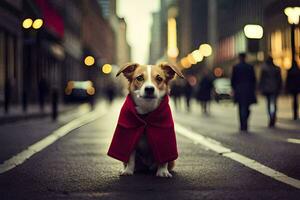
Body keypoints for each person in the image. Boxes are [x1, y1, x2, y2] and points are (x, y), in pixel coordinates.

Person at [231, 53, 256, 132]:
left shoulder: (236, 67)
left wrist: (234, 88)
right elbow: (253, 79)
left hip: (239, 90)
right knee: (247, 107)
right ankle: (244, 123)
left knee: (241, 107)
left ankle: (242, 124)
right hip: (248, 89)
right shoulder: (250, 67)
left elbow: (233, 80)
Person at [259, 56, 282, 127]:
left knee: (269, 104)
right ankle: (273, 116)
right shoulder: (277, 69)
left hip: (267, 89)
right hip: (274, 89)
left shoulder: (264, 69)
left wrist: (261, 88)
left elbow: (261, 80)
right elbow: (279, 80)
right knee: (274, 104)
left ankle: (271, 117)